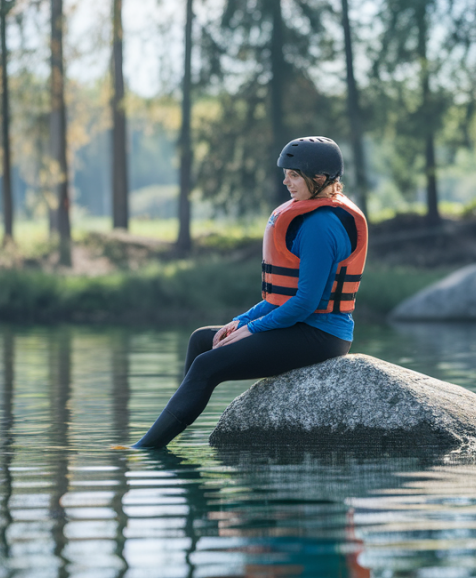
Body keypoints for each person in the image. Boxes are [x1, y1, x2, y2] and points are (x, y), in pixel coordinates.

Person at [132, 136, 369, 449]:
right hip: (302, 327)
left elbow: (304, 304)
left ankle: (145, 449)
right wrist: (239, 321)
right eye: (286, 173)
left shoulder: (320, 226)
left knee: (207, 364)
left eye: (294, 175)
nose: (285, 180)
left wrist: (251, 329)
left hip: (321, 337)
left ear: (321, 179)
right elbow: (279, 299)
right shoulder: (309, 215)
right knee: (203, 340)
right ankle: (171, 427)